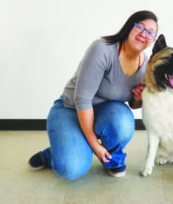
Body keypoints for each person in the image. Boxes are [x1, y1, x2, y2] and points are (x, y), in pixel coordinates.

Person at [28, 10, 158, 180]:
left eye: (150, 32)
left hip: (105, 113)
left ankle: (109, 158)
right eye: (140, 27)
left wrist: (138, 98)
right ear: (129, 26)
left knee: (123, 122)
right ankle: (53, 154)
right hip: (71, 108)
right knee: (70, 169)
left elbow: (133, 105)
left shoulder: (147, 66)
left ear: (153, 40)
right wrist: (95, 146)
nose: (144, 34)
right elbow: (82, 100)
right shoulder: (103, 49)